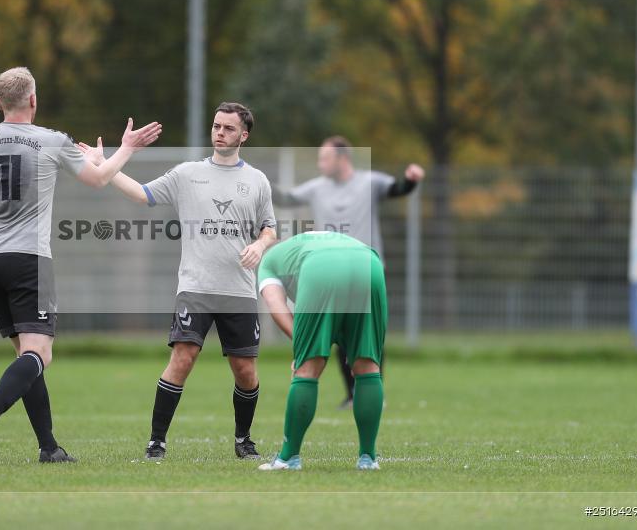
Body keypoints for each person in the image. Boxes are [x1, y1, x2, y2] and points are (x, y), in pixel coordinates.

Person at [0, 67, 161, 465]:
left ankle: (49, 447)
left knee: (28, 354)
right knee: (39, 354)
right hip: (28, 259)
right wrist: (126, 148)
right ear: (34, 101)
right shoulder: (51, 140)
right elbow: (98, 178)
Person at [78, 102, 276, 461]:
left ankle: (243, 440)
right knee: (183, 358)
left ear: (244, 135)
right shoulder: (187, 174)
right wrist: (101, 165)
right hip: (195, 287)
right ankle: (157, 441)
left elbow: (270, 228)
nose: (220, 132)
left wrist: (260, 246)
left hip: (238, 290)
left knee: (245, 371)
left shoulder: (257, 180)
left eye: (229, 128)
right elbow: (142, 194)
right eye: (216, 126)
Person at [272, 136, 424, 408]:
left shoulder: (370, 182)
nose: (320, 164)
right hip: (329, 270)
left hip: (365, 269)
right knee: (340, 333)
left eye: (325, 158)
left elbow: (398, 189)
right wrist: (257, 182)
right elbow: (284, 198)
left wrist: (411, 180)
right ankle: (353, 394)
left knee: (368, 330)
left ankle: (375, 391)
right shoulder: (317, 187)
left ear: (342, 158)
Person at [256, 231, 387, 471]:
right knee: (367, 365)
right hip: (370, 263)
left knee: (308, 368)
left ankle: (287, 458)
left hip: (322, 268)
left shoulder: (268, 261)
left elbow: (276, 306)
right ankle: (368, 458)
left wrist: (301, 347)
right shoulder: (305, 244)